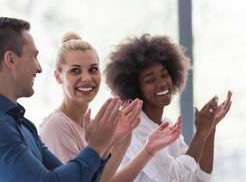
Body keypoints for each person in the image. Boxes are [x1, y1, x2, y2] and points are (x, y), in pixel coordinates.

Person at [39, 32, 182, 182]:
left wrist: (137, 146)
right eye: (75, 70)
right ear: (58, 76)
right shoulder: (56, 126)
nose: (87, 78)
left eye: (93, 69)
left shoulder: (91, 127)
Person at [0, 17, 129, 182]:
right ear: (11, 59)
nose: (39, 68)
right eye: (34, 56)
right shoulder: (4, 127)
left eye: (93, 69)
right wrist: (97, 146)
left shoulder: (24, 125)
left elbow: (81, 179)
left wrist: (106, 142)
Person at [104, 34, 232, 182]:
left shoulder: (167, 125)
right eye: (150, 80)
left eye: (165, 75)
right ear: (135, 88)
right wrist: (201, 134)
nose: (162, 83)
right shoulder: (135, 128)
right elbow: (173, 178)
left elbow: (199, 178)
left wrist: (210, 129)